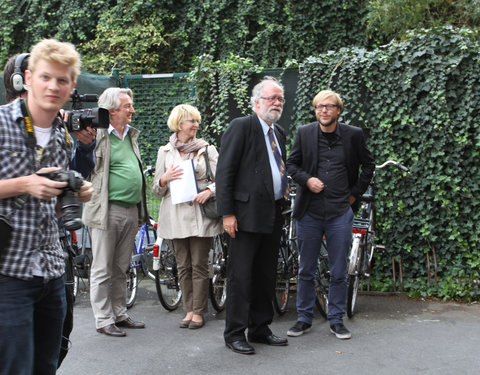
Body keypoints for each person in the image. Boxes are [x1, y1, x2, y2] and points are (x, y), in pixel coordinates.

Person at [0, 38, 93, 375]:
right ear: (26, 78)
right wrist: (24, 183)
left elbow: (47, 208)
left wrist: (77, 191)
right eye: (45, 77)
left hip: (52, 270)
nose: (53, 86)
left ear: (71, 87)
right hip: (8, 272)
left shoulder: (63, 137)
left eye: (62, 80)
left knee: (46, 366)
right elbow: (28, 189)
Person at [286, 89, 375, 340]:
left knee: (338, 270)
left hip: (339, 213)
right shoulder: (304, 133)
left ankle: (336, 319)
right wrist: (307, 180)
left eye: (328, 106)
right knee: (305, 269)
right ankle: (303, 318)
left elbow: (368, 165)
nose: (323, 110)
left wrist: (355, 194)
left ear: (338, 110)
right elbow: (291, 164)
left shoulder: (353, 135)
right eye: (318, 107)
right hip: (309, 213)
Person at [216, 76, 289, 355]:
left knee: (265, 275)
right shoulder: (242, 126)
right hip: (244, 216)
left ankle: (260, 328)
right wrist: (227, 214)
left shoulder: (278, 132)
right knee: (241, 276)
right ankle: (234, 333)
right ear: (256, 101)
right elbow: (225, 173)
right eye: (271, 98)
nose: (277, 103)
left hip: (272, 213)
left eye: (280, 98)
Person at [82, 87, 148, 337]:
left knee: (122, 267)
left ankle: (119, 313)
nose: (132, 109)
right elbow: (85, 168)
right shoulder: (97, 136)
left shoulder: (130, 136)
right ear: (111, 112)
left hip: (131, 211)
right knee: (102, 267)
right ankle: (103, 318)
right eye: (127, 106)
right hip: (106, 211)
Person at [152, 104, 223, 329]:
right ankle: (189, 310)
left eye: (197, 121)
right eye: (191, 121)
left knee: (200, 265)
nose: (196, 125)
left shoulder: (207, 149)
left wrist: (209, 191)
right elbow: (156, 189)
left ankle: (199, 312)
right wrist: (164, 178)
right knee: (182, 266)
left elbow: (223, 179)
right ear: (178, 123)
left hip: (201, 215)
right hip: (174, 215)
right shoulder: (164, 151)